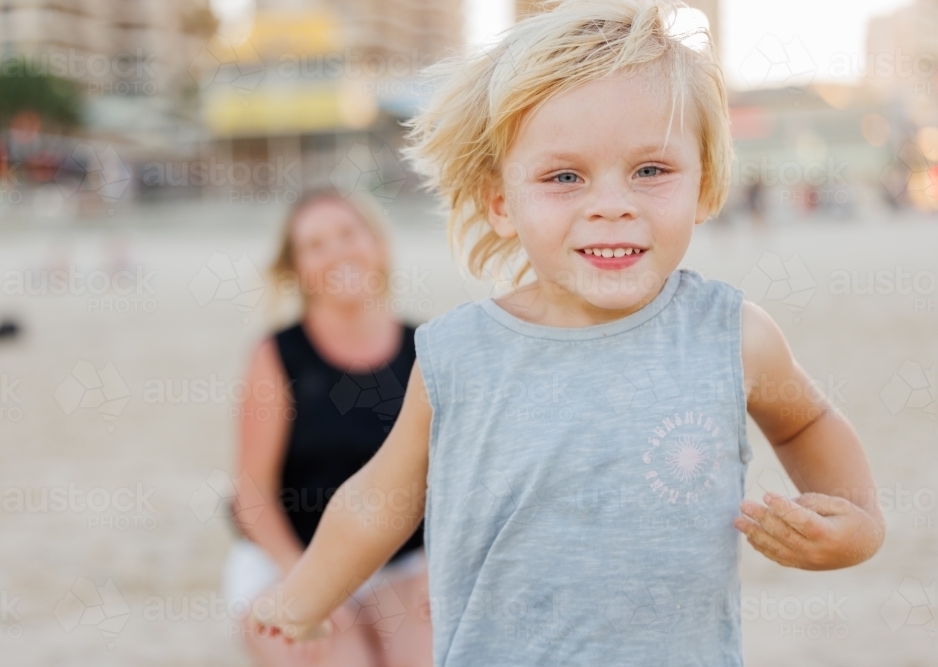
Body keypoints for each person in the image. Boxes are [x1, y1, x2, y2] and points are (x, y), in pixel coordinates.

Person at [248, 1, 886, 664]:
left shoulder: (730, 336)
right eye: (564, 177)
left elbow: (806, 421)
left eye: (651, 170)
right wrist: (302, 597)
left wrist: (856, 521)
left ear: (703, 183)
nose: (612, 204)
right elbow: (383, 496)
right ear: (501, 202)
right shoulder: (459, 355)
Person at [224, 188, 432, 667]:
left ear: (377, 244)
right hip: (291, 559)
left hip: (399, 563)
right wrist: (308, 586)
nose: (338, 252)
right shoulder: (275, 355)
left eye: (347, 234)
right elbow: (251, 494)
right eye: (316, 245)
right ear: (296, 269)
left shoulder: (427, 349)